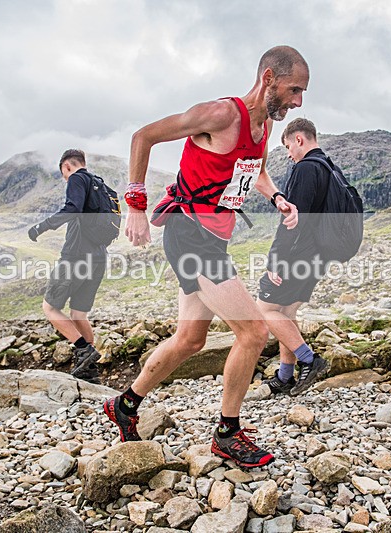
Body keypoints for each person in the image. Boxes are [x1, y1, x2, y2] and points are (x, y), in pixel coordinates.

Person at [104, 45, 309, 468]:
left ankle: (125, 405)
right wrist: (136, 204)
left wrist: (277, 199)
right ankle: (227, 434)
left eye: (302, 93)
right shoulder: (221, 115)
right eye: (294, 90)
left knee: (191, 339)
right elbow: (143, 136)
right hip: (188, 234)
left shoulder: (262, 127)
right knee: (254, 333)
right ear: (268, 77)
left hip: (212, 239)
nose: (298, 102)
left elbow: (254, 170)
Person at [257, 118, 332, 395]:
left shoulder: (306, 168)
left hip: (299, 253)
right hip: (319, 255)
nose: (289, 153)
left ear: (299, 139)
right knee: (286, 312)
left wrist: (275, 260)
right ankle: (285, 376)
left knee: (264, 310)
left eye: (289, 146)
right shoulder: (328, 167)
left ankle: (309, 360)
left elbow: (291, 220)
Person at [28, 149, 110, 384]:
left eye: (64, 174)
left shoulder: (77, 178)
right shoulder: (99, 185)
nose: (66, 179)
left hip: (76, 256)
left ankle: (83, 350)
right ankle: (89, 370)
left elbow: (72, 208)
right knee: (78, 313)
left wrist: (41, 227)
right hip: (98, 258)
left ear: (66, 167)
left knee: (50, 308)